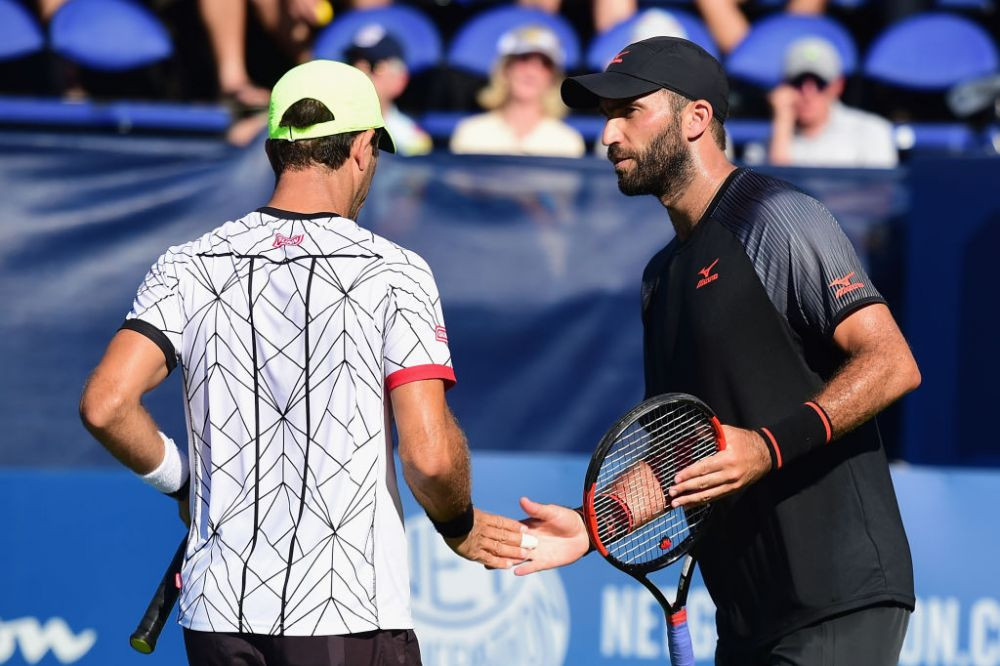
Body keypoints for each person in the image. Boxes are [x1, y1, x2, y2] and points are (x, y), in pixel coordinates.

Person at [78, 60, 530, 666]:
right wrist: (460, 526)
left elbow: (106, 406)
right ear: (364, 148)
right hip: (350, 612)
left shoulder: (187, 264)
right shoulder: (393, 271)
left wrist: (180, 481)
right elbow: (427, 455)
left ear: (275, 149)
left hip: (216, 614)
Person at [513, 37, 920, 665]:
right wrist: (595, 525)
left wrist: (766, 446)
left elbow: (892, 363)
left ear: (696, 118)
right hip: (746, 616)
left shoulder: (778, 217)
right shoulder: (660, 278)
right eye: (605, 117)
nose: (609, 136)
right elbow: (680, 449)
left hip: (838, 597)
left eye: (629, 111)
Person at [450, 25, 585, 158]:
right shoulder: (470, 133)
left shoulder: (567, 142)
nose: (531, 72)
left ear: (553, 79)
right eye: (523, 59)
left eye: (545, 64)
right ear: (505, 69)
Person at [765, 36, 898, 168]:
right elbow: (776, 188)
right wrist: (783, 123)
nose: (808, 93)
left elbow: (881, 188)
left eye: (820, 83)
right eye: (798, 82)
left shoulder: (872, 132)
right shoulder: (767, 144)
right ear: (783, 86)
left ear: (838, 85)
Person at [347, 25, 432, 157]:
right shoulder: (325, 128)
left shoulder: (411, 140)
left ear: (400, 79)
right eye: (352, 63)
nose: (360, 72)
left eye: (373, 65)